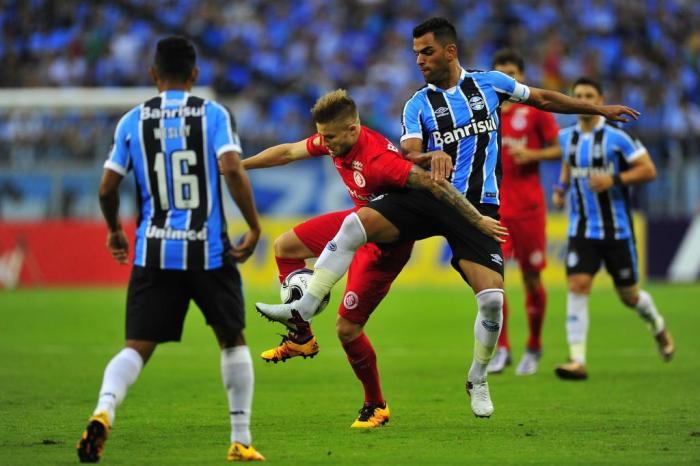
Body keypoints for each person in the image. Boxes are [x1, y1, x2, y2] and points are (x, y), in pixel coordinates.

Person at [256, 17, 640, 419]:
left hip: (480, 206)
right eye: (415, 53)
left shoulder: (490, 84)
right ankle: (304, 309)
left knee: (492, 301)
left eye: (426, 51)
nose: (419, 60)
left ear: (449, 51)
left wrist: (597, 109)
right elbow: (408, 153)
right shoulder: (417, 103)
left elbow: (543, 98)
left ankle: (478, 377)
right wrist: (428, 156)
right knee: (355, 223)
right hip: (429, 195)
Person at [246, 88, 505, 427]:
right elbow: (287, 152)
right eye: (322, 136)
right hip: (356, 226)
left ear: (353, 130)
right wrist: (237, 165)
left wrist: (475, 219)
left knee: (347, 329)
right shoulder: (333, 139)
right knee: (284, 246)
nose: (325, 143)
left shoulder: (380, 161)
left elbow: (432, 184)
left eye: (331, 137)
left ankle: (375, 405)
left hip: (386, 244)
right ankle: (301, 336)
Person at [76, 36, 265, 462]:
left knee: (136, 347)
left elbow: (107, 188)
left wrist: (113, 229)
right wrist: (253, 226)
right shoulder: (214, 114)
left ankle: (104, 409)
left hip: (153, 251)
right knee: (232, 341)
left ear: (153, 75)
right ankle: (241, 439)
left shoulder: (131, 121)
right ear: (195, 76)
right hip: (209, 251)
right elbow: (232, 167)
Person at [552, 77, 674, 381]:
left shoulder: (617, 137)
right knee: (578, 287)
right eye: (577, 95)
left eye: (588, 95)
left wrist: (614, 180)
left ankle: (657, 325)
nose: (582, 99)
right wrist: (561, 187)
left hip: (617, 230)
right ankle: (577, 359)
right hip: (581, 229)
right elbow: (568, 164)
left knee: (629, 297)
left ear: (600, 99)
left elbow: (648, 169)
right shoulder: (566, 137)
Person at [486, 49, 562, 375]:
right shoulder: (484, 112)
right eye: (502, 75)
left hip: (530, 208)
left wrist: (530, 153)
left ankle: (534, 345)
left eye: (513, 75)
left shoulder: (535, 111)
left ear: (521, 77)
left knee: (532, 280)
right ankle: (502, 348)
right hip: (496, 211)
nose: (508, 81)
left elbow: (560, 148)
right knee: (494, 283)